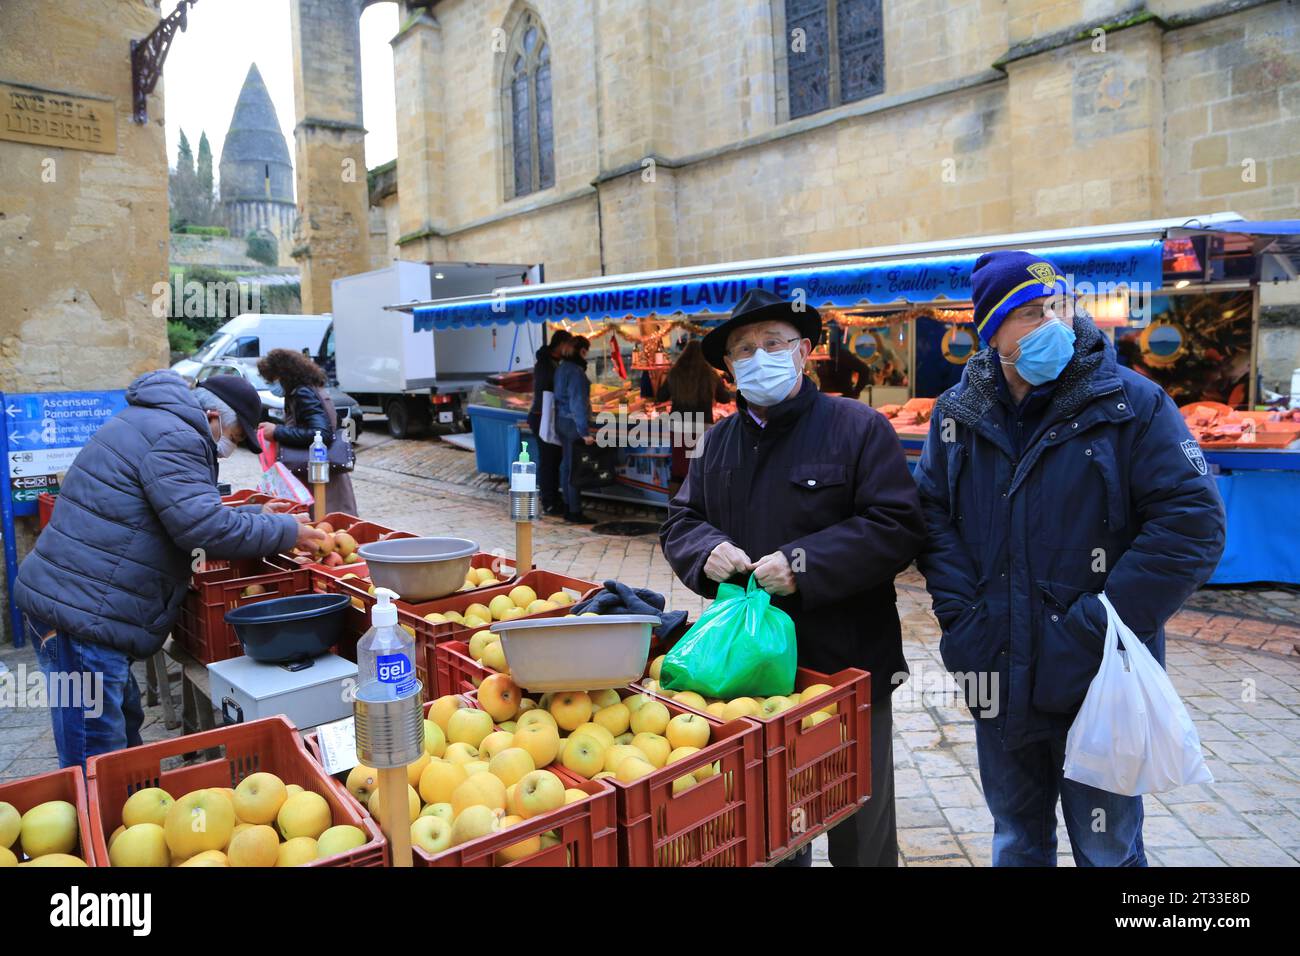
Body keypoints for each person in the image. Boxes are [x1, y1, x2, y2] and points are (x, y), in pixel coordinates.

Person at [914, 251, 1226, 867]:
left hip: (1098, 677)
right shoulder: (958, 413)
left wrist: (1098, 624)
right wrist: (962, 616)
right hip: (997, 671)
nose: (1052, 323)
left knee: (1107, 848)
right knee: (1016, 839)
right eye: (1030, 313)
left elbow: (1192, 523)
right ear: (992, 331)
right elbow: (931, 517)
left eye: (1059, 306)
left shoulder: (1131, 404)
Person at [659, 289, 926, 867]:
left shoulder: (858, 427)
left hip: (845, 668)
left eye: (772, 343)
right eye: (743, 350)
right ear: (729, 369)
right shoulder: (718, 441)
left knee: (861, 822)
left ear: (803, 351)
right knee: (771, 820)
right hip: (749, 670)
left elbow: (897, 525)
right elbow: (682, 519)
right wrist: (706, 551)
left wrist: (802, 564)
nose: (759, 356)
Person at [14, 371, 326, 769]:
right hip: (82, 615)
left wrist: (254, 514)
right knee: (94, 754)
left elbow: (176, 511)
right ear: (213, 416)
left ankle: (118, 817)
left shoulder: (154, 421)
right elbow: (201, 527)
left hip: (86, 606)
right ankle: (93, 826)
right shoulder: (176, 438)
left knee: (120, 734)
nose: (231, 445)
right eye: (233, 433)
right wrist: (284, 531)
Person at [257, 348, 358, 515]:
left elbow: (321, 434)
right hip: (321, 474)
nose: (275, 383)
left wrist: (277, 431)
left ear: (285, 374)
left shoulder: (303, 393)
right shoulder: (311, 389)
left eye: (275, 378)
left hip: (319, 478)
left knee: (325, 526)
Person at [654, 339, 734, 485]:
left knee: (680, 465)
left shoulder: (675, 372)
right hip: (702, 425)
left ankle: (679, 499)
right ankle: (700, 498)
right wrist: (723, 386)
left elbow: (661, 396)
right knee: (701, 463)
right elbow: (724, 399)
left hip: (678, 425)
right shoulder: (710, 373)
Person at [527, 328, 572, 515]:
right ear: (561, 345)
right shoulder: (546, 365)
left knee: (553, 460)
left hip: (547, 415)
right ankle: (549, 501)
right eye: (568, 346)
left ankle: (553, 497)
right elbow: (549, 391)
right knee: (549, 460)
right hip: (542, 416)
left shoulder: (552, 362)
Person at [554, 335, 594, 524]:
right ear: (581, 350)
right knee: (573, 469)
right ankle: (574, 511)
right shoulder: (576, 372)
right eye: (586, 350)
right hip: (572, 424)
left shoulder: (561, 368)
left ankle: (568, 505)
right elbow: (577, 402)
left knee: (566, 466)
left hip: (561, 421)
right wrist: (584, 432)